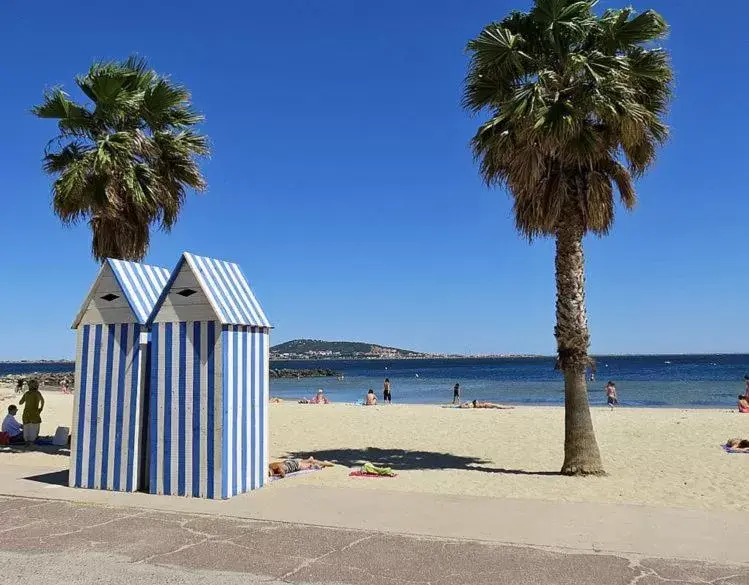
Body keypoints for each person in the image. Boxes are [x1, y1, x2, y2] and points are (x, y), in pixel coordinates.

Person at [19, 379, 44, 444]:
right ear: (36, 386)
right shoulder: (37, 393)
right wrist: (41, 408)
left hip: (26, 412)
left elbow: (20, 402)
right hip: (34, 412)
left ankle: (26, 440)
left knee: (26, 426)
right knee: (35, 426)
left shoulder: (27, 393)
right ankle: (32, 439)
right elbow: (42, 401)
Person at [268, 456, 334, 478]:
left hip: (294, 465)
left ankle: (325, 463)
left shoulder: (278, 469)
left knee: (311, 465)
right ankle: (309, 459)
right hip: (288, 462)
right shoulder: (270, 466)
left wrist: (276, 475)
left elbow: (283, 475)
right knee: (307, 462)